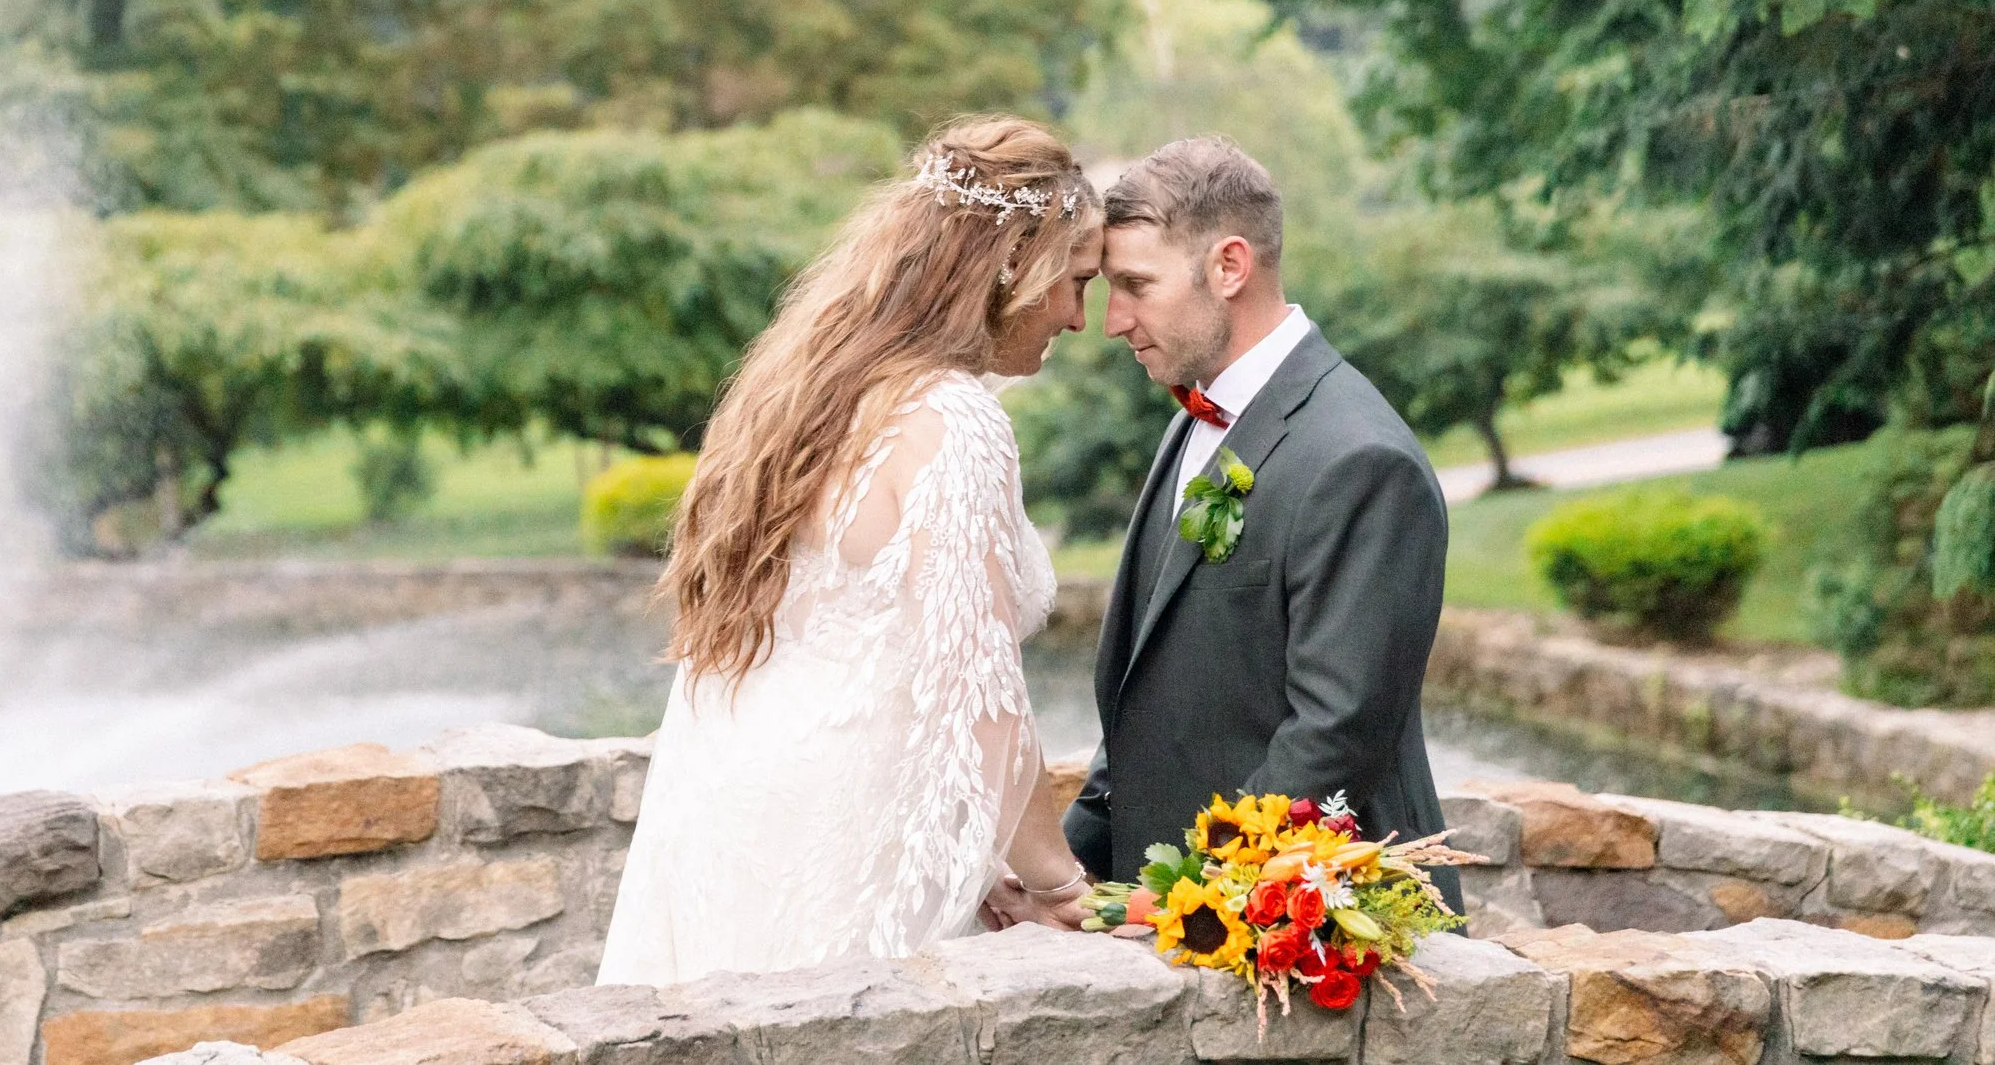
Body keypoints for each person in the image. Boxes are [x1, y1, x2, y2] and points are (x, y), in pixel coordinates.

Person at [596, 117, 1103, 985]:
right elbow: (978, 687)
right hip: (852, 838)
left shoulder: (816, 391)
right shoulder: (954, 419)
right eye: (1076, 280)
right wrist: (1059, 882)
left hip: (740, 813)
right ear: (1013, 261)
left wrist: (980, 852)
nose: (1078, 317)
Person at [1064, 136, 1462, 914]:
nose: (1114, 320)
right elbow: (1152, 704)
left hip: (1316, 933)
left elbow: (1333, 738)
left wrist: (1177, 901)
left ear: (1229, 266)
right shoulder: (1192, 419)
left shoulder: (1361, 460)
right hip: (1190, 924)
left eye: (1136, 285)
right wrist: (1064, 867)